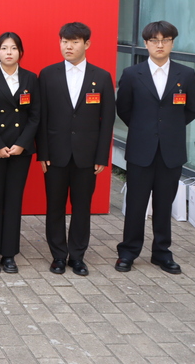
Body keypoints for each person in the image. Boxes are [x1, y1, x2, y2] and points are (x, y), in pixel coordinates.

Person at [115, 21, 195, 274]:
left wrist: (168, 130)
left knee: (164, 205)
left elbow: (192, 109)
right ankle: (128, 252)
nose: (159, 45)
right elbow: (124, 109)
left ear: (172, 42)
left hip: (170, 152)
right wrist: (145, 129)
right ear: (146, 43)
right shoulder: (132, 74)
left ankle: (162, 253)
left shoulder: (186, 74)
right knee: (136, 204)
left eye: (165, 40)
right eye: (154, 40)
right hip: (141, 150)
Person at [37, 23, 115, 276]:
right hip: (55, 155)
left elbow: (107, 120)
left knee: (82, 208)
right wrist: (43, 153)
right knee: (55, 207)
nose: (68, 47)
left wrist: (102, 155)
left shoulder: (101, 77)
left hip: (87, 156)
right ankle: (58, 256)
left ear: (87, 44)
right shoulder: (47, 75)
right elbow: (41, 117)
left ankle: (78, 257)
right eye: (64, 41)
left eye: (74, 42)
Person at [0, 32, 40, 274]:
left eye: (13, 48)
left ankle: (10, 254)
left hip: (20, 151)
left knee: (13, 201)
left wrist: (22, 143)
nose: (9, 52)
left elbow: (35, 115)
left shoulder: (30, 78)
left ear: (20, 52)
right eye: (4, 48)